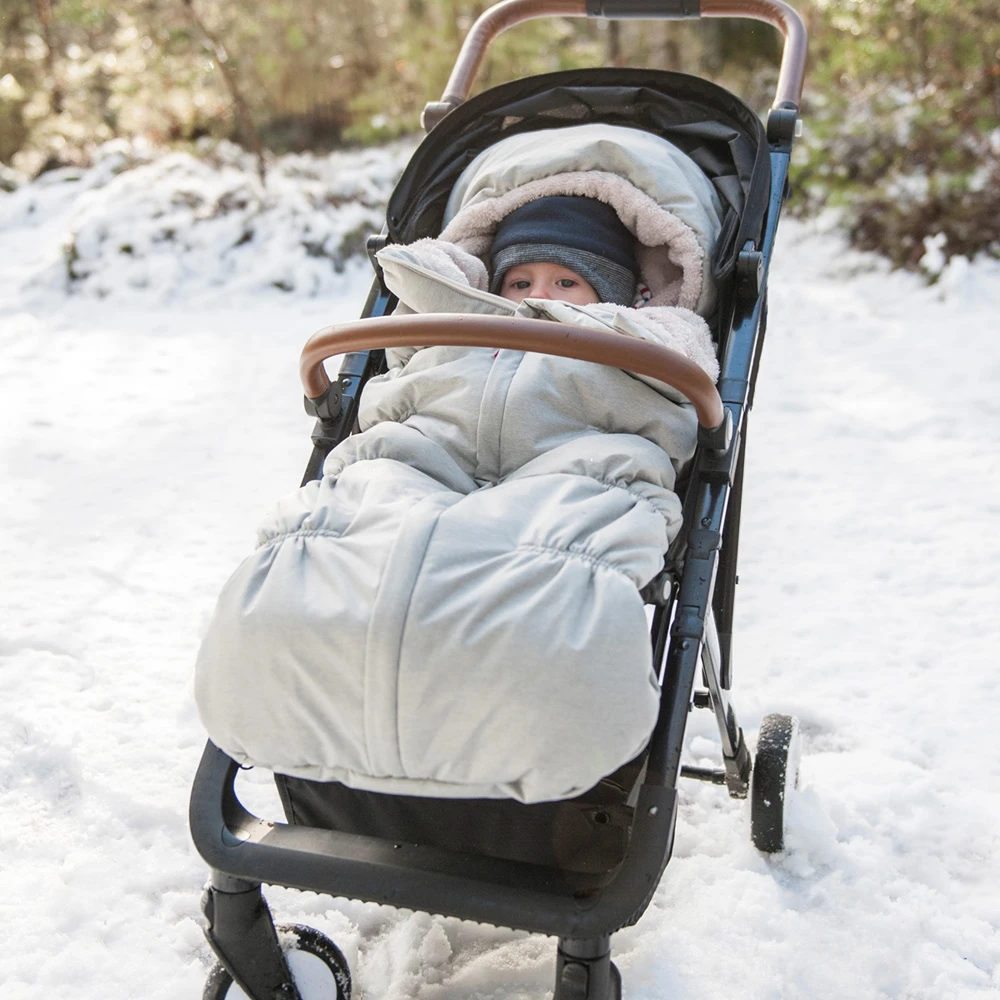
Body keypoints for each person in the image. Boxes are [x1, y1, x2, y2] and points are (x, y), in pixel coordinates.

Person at [195, 124, 724, 805]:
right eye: (520, 279)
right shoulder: (445, 323)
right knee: (353, 527)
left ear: (624, 293)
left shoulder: (652, 340)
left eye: (569, 282)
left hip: (576, 468)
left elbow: (680, 392)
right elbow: (401, 385)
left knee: (548, 573)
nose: (539, 294)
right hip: (421, 453)